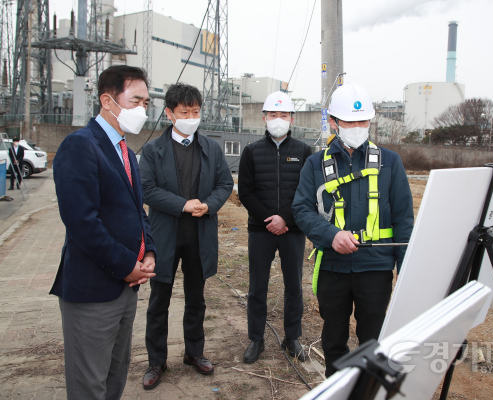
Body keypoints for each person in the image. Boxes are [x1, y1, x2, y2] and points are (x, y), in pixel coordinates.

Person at [292, 83, 414, 377]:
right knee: (333, 339)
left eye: (363, 121)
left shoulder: (390, 162)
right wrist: (331, 236)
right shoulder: (315, 164)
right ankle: (338, 389)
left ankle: (368, 391)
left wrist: (405, 266)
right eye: (350, 121)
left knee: (372, 340)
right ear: (334, 122)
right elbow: (302, 210)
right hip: (334, 268)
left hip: (376, 268)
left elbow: (403, 218)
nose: (358, 127)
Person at [50, 65, 157, 399]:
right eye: (136, 100)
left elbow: (137, 211)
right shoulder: (80, 146)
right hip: (94, 289)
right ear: (108, 101)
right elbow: (82, 222)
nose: (143, 109)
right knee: (89, 383)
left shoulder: (124, 149)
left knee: (114, 376)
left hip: (127, 287)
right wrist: (127, 265)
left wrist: (149, 251)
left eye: (146, 102)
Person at [139, 83, 233, 389]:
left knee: (196, 299)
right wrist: (183, 204)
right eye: (184, 112)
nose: (191, 117)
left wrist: (209, 205)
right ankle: (156, 361)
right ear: (169, 113)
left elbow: (224, 184)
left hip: (199, 234)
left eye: (196, 111)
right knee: (159, 300)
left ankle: (195, 353)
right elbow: (147, 189)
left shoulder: (211, 148)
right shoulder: (153, 150)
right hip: (165, 235)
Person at [238, 91, 312, 364]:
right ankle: (256, 339)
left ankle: (292, 337)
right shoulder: (251, 151)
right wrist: (270, 219)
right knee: (258, 286)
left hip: (293, 231)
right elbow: (245, 192)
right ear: (264, 118)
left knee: (294, 285)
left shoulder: (304, 151)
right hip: (261, 230)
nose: (278, 119)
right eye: (273, 114)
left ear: (292, 118)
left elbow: (308, 192)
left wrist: (287, 219)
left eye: (283, 115)